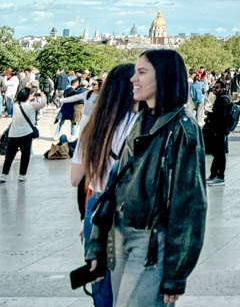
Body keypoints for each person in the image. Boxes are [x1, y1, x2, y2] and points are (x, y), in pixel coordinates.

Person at [84, 49, 206, 305]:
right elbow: (115, 186)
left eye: (141, 72)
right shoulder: (141, 121)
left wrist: (176, 272)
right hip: (119, 236)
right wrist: (97, 243)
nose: (133, 79)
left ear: (162, 78)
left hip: (150, 241)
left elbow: (190, 204)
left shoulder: (183, 128)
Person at [70, 63, 137, 307]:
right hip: (129, 208)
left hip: (97, 208)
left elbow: (75, 178)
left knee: (101, 283)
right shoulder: (139, 125)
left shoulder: (92, 128)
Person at [0, 86, 45, 183]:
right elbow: (43, 104)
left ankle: (4, 175)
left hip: (13, 134)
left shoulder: (16, 105)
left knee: (9, 156)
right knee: (25, 155)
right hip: (26, 133)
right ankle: (22, 175)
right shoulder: (32, 105)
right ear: (29, 96)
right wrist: (42, 95)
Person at [203, 79, 233, 186]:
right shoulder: (221, 99)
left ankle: (220, 177)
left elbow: (220, 117)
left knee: (219, 153)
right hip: (218, 130)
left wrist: (208, 114)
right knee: (217, 153)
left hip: (219, 130)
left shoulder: (222, 100)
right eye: (214, 87)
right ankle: (214, 174)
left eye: (217, 87)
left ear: (222, 89)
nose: (214, 89)